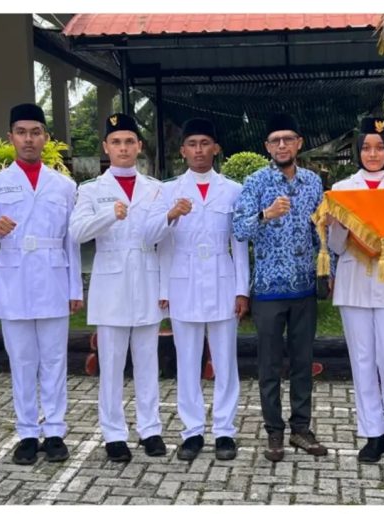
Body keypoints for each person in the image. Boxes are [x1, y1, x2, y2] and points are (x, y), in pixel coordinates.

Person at [0, 103, 82, 466]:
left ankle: (55, 431)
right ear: (11, 137)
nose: (29, 139)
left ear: (45, 137)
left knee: (54, 359)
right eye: (21, 132)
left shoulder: (64, 185)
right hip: (14, 277)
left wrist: (75, 289)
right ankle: (27, 434)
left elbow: (71, 241)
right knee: (21, 361)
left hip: (53, 276)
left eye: (35, 132)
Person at [143, 118, 249, 461]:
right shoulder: (168, 190)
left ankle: (225, 431)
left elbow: (240, 244)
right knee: (187, 361)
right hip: (183, 282)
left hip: (222, 279)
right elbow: (152, 238)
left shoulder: (233, 190)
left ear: (216, 148)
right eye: (192, 144)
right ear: (183, 150)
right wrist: (171, 215)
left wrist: (242, 290)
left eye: (205, 143)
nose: (199, 150)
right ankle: (192, 432)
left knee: (225, 361)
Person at [69, 113, 167, 462]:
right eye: (116, 142)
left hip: (147, 279)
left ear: (138, 146)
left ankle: (150, 429)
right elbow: (77, 233)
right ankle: (113, 433)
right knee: (111, 364)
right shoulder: (90, 190)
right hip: (111, 284)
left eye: (129, 142)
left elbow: (163, 238)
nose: (123, 148)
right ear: (106, 147)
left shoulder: (156, 188)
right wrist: (109, 214)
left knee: (147, 361)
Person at [232, 112, 328, 462]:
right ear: (267, 146)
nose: (282, 145)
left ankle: (301, 428)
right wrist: (266, 214)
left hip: (304, 288)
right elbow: (239, 230)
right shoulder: (255, 182)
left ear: (299, 143)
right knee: (270, 366)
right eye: (276, 140)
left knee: (303, 362)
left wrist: (327, 269)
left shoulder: (313, 182)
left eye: (288, 139)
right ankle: (274, 432)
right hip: (269, 290)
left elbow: (320, 233)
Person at [325, 117, 384, 465]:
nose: (373, 154)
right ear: (358, 151)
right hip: (354, 282)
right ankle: (373, 433)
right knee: (362, 359)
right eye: (366, 147)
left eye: (379, 147)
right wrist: (337, 225)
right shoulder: (343, 188)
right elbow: (336, 247)